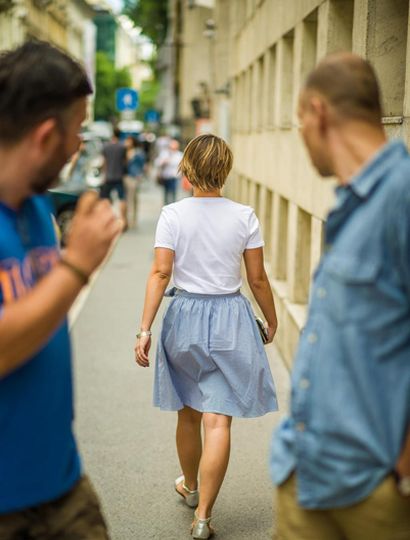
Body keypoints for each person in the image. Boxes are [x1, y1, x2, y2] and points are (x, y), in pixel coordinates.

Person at [270, 52, 410, 539]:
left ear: (318, 111)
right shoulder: (351, 201)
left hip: (374, 490)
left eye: (298, 122)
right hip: (305, 473)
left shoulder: (402, 195)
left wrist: (403, 474)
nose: (301, 136)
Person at [0, 41, 121, 539]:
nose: (79, 145)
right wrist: (76, 266)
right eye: (77, 130)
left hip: (61, 485)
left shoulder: (35, 208)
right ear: (47, 135)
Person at [135, 134, 278, 539]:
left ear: (187, 169)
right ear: (225, 170)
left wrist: (144, 329)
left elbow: (161, 273)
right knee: (218, 421)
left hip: (184, 316)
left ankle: (190, 484)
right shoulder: (244, 215)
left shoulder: (172, 215)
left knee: (188, 412)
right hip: (231, 318)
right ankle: (203, 518)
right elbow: (258, 279)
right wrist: (271, 320)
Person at [101, 127, 128, 227]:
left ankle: (105, 220)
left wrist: (104, 174)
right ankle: (123, 221)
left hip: (108, 176)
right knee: (122, 199)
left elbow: (104, 162)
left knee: (105, 199)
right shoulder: (122, 147)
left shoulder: (106, 146)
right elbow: (125, 162)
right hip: (119, 176)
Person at [124, 136, 145, 228]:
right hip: (126, 176)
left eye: (129, 141)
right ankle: (128, 218)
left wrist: (139, 174)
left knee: (132, 198)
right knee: (128, 198)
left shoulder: (138, 152)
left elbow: (142, 164)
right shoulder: (124, 151)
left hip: (134, 177)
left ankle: (133, 219)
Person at [155, 138, 183, 205]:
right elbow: (157, 162)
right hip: (165, 177)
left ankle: (173, 207)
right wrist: (163, 162)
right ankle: (166, 206)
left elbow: (180, 165)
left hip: (174, 178)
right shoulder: (164, 153)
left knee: (173, 194)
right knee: (166, 193)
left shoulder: (179, 155)